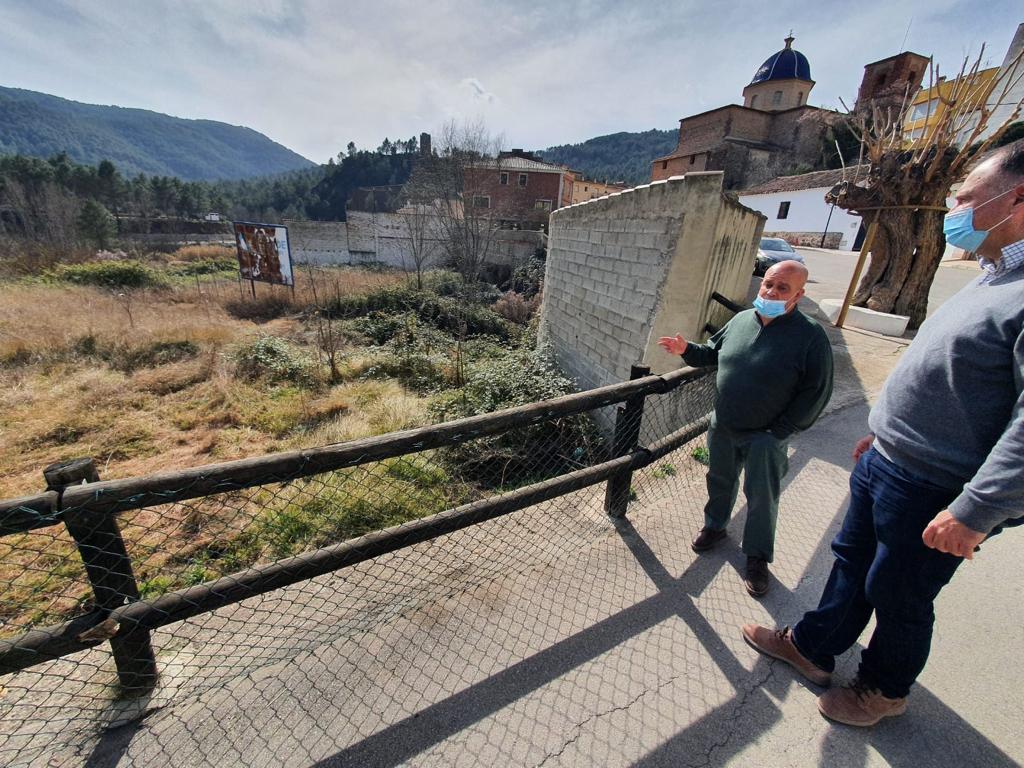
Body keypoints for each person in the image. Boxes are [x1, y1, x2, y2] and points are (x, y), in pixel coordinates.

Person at [742, 138, 1024, 727]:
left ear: (1015, 198)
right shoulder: (994, 277)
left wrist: (977, 509)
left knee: (899, 593)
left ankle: (884, 691)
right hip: (891, 462)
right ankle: (812, 647)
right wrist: (886, 434)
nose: (955, 210)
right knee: (851, 562)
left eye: (967, 198)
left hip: (938, 485)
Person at [658, 260, 833, 597]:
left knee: (762, 498)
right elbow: (712, 353)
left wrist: (779, 432)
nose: (771, 291)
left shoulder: (810, 337)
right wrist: (686, 350)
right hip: (723, 425)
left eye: (783, 288)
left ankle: (756, 557)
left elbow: (816, 393)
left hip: (766, 437)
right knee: (719, 480)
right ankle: (715, 527)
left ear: (799, 294)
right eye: (769, 284)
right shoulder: (740, 320)